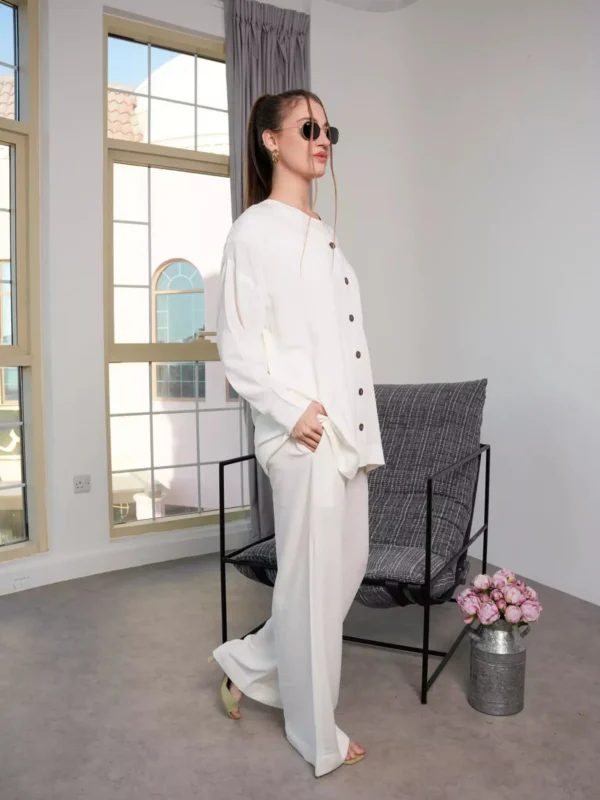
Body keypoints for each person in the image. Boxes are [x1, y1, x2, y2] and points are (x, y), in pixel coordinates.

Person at [210, 89, 384, 777]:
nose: (322, 140)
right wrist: (293, 411)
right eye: (308, 127)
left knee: (342, 573)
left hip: (344, 432)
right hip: (305, 435)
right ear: (270, 140)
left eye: (328, 130)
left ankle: (246, 663)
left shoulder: (323, 232)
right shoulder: (253, 232)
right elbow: (237, 342)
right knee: (311, 591)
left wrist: (359, 428)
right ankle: (317, 736)